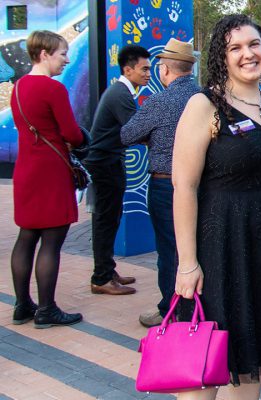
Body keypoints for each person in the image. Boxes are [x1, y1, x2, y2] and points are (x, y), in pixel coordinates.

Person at [172, 14, 261, 400]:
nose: (248, 54)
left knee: (253, 352)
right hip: (220, 246)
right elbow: (185, 186)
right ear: (222, 56)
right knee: (205, 359)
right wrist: (187, 262)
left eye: (253, 44)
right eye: (235, 48)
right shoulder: (204, 104)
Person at [121, 38, 200, 327]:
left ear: (164, 70)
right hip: (202, 186)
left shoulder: (159, 101)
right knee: (196, 250)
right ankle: (198, 308)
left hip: (167, 187)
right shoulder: (204, 97)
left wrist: (151, 139)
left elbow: (126, 135)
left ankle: (172, 308)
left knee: (169, 251)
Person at [10, 30, 83, 328]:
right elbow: (72, 134)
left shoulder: (18, 88)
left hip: (26, 171)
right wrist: (73, 140)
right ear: (44, 54)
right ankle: (47, 309)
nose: (66, 60)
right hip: (51, 172)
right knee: (51, 243)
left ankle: (21, 306)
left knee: (26, 238)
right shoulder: (53, 89)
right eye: (62, 54)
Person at [84, 45, 151, 295]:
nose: (148, 74)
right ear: (128, 69)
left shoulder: (122, 91)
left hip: (110, 162)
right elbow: (138, 129)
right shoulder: (120, 93)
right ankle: (101, 277)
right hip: (104, 164)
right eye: (144, 69)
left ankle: (107, 270)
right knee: (105, 220)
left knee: (110, 219)